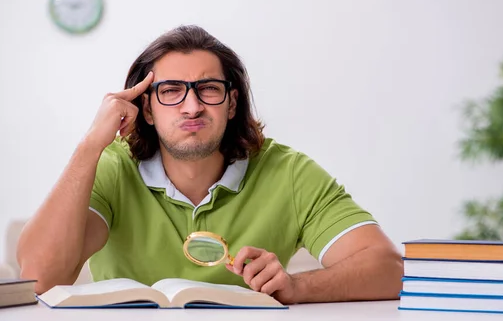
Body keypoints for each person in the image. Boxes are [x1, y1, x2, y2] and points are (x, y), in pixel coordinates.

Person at [17, 25, 403, 304]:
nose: (192, 106)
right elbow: (39, 279)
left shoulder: (290, 172)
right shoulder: (111, 168)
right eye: (170, 91)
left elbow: (389, 269)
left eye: (208, 89)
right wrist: (89, 146)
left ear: (232, 104)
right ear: (146, 109)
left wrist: (296, 287)